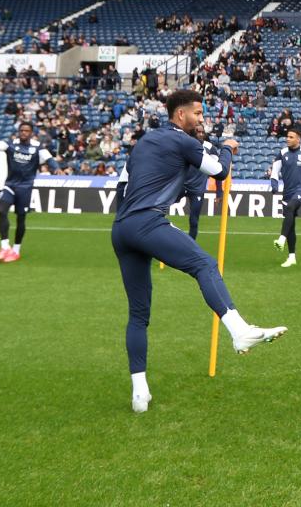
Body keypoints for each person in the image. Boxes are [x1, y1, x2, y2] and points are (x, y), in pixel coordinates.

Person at [112, 89, 285, 414]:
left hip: (121, 229)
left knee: (138, 314)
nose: (201, 118)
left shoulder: (143, 143)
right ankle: (239, 331)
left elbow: (122, 186)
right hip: (147, 222)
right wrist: (227, 148)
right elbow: (219, 169)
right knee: (205, 264)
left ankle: (139, 392)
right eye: (198, 113)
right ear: (180, 115)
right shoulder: (183, 141)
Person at [0, 122, 56, 263]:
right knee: (2, 211)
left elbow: (50, 160)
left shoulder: (38, 147)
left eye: (27, 131)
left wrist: (55, 168)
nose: (23, 133)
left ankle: (16, 250)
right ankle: (4, 247)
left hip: (25, 188)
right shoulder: (10, 144)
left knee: (21, 218)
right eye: (21, 130)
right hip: (10, 185)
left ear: (31, 133)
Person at [270, 128, 301, 268]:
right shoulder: (282, 153)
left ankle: (281, 239)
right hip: (287, 192)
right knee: (290, 225)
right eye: (287, 136)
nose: (288, 139)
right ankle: (292, 256)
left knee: (291, 207)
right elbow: (275, 171)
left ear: (298, 139)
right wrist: (274, 185)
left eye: (291, 137)